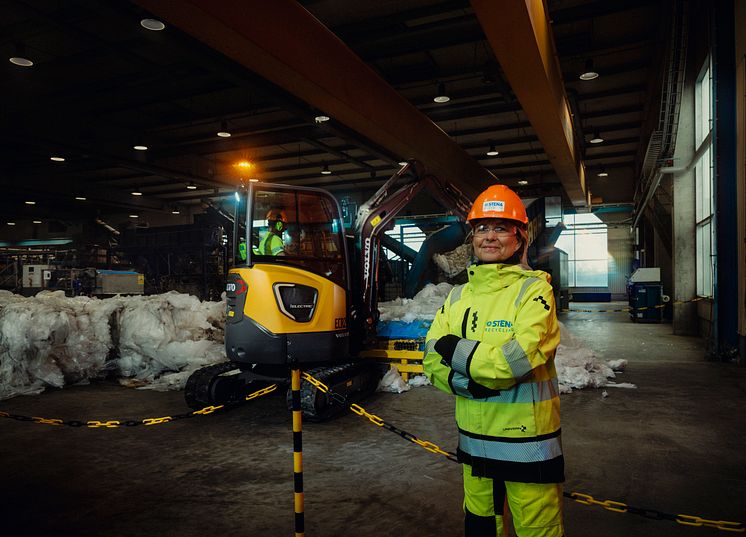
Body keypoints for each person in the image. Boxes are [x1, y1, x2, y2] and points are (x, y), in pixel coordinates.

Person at [423, 184, 564, 537]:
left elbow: (514, 362)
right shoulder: (457, 296)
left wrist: (456, 352)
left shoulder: (535, 291)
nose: (489, 237)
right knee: (481, 525)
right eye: (482, 228)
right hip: (474, 441)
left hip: (527, 446)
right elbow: (429, 359)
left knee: (538, 530)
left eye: (500, 228)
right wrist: (468, 378)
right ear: (471, 238)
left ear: (519, 238)